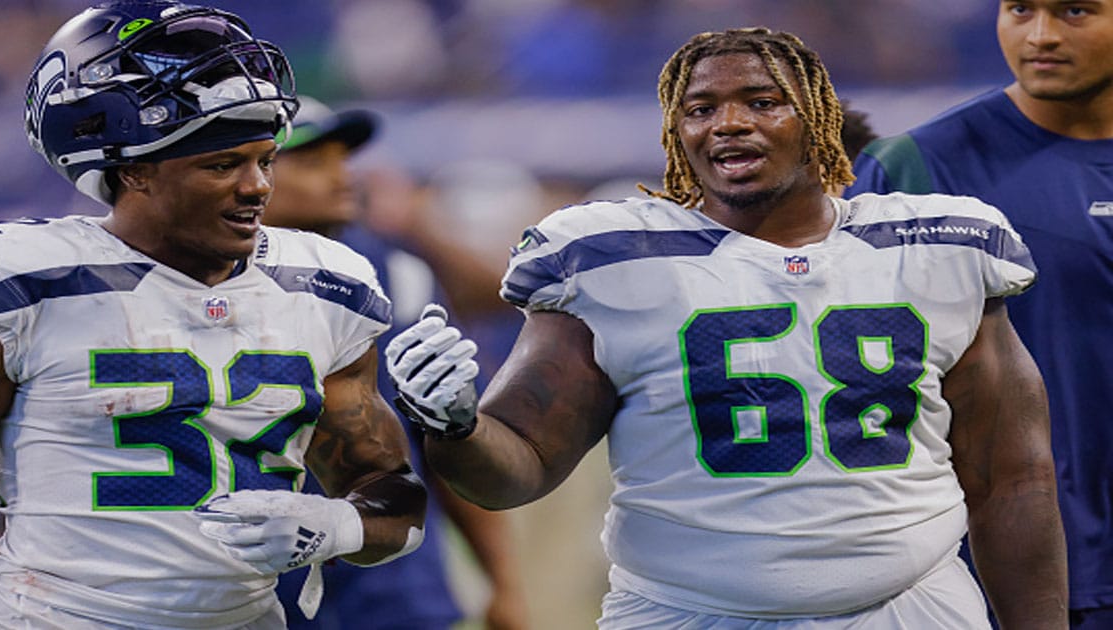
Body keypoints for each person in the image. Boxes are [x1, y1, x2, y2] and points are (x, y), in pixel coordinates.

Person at [384, 26, 1069, 628]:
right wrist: (455, 425)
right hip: (687, 611)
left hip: (910, 606)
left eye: (762, 102)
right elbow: (517, 471)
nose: (729, 123)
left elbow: (1013, 479)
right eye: (701, 108)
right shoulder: (611, 258)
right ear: (676, 132)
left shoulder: (936, 248)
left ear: (819, 119)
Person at [0, 2, 427, 627]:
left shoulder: (325, 283)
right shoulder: (22, 282)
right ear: (133, 171)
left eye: (265, 159)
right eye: (221, 164)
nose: (258, 186)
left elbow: (395, 498)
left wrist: (338, 522)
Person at [846, 2, 1113, 626]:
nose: (1040, 35)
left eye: (1075, 10)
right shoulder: (915, 172)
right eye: (1020, 8)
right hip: (1013, 575)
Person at [264, 95, 528, 630]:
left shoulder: (393, 272)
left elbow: (445, 441)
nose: (343, 177)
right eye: (313, 161)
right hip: (255, 582)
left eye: (343, 159)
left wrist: (504, 582)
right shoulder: (196, 282)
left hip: (394, 588)